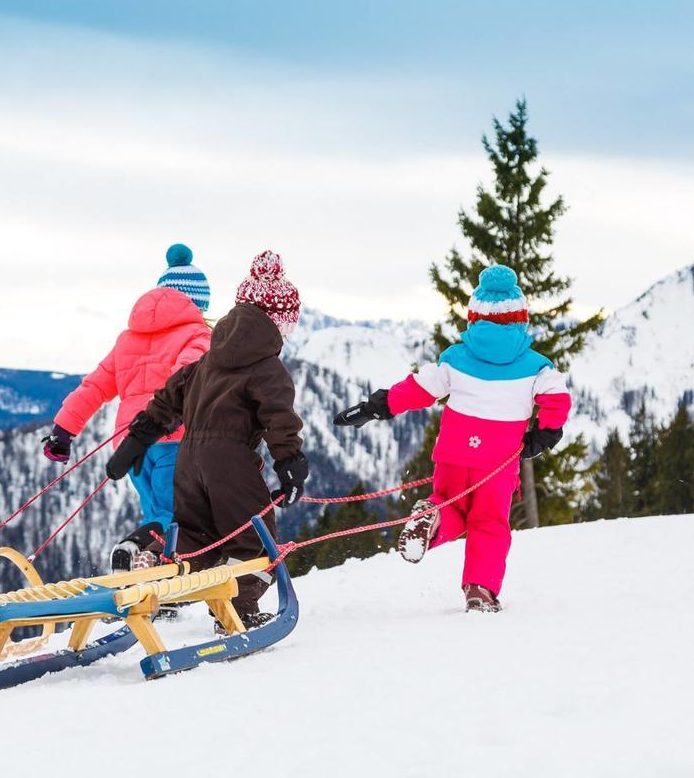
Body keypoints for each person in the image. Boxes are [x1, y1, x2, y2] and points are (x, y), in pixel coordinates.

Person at [333, 265, 571, 612]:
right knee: (488, 525)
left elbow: (417, 388)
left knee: (451, 504)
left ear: (474, 317)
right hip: (498, 464)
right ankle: (480, 590)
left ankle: (433, 516)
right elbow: (557, 399)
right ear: (521, 319)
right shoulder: (536, 366)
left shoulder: (455, 359)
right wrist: (544, 435)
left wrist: (375, 407)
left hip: (454, 456)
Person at [106, 250, 308, 628]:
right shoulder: (267, 366)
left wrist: (139, 437)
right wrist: (290, 462)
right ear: (278, 322)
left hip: (188, 461)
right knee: (256, 545)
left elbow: (169, 396)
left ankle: (158, 572)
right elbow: (278, 417)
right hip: (230, 464)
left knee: (198, 536)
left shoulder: (210, 358)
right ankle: (238, 612)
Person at [43, 244, 211, 571]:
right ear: (197, 303)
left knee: (156, 513)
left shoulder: (127, 340)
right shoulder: (197, 334)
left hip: (130, 446)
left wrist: (62, 433)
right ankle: (135, 549)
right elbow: (186, 377)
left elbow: (93, 387)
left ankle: (154, 585)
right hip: (173, 437)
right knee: (177, 516)